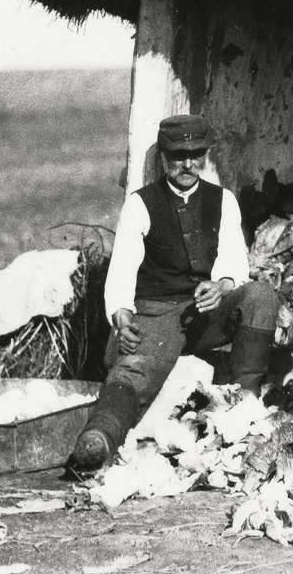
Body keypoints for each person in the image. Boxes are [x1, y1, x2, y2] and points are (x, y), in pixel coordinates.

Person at [70, 114, 279, 471]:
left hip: (204, 311)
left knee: (260, 296)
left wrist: (222, 286)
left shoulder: (222, 200)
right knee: (132, 367)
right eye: (177, 156)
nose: (187, 164)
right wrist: (121, 314)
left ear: (206, 155)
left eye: (196, 155)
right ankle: (100, 436)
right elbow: (121, 270)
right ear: (163, 158)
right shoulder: (141, 204)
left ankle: (245, 408)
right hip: (156, 312)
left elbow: (233, 261)